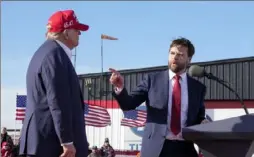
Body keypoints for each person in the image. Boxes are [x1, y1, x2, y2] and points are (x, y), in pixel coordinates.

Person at [109, 37, 210, 157]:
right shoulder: (152, 80)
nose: (175, 57)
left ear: (189, 59)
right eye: (172, 53)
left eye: (180, 54)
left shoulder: (198, 88)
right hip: (157, 149)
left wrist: (204, 122)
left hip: (185, 149)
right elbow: (128, 104)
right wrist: (120, 88)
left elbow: (199, 117)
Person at [19, 9, 89, 157]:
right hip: (51, 145)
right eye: (76, 29)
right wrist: (67, 141)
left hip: (43, 142)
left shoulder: (46, 52)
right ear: (66, 32)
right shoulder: (55, 55)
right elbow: (58, 100)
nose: (79, 33)